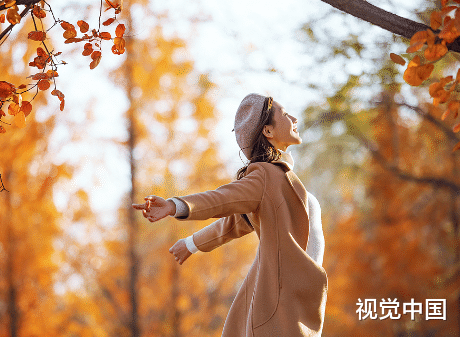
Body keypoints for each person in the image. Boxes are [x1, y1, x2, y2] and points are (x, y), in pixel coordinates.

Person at [132, 93, 328, 337]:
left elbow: (234, 223)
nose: (294, 118)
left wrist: (191, 244)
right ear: (267, 131)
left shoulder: (281, 180)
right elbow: (222, 199)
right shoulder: (265, 176)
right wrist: (175, 206)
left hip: (299, 303)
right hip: (281, 308)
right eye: (285, 114)